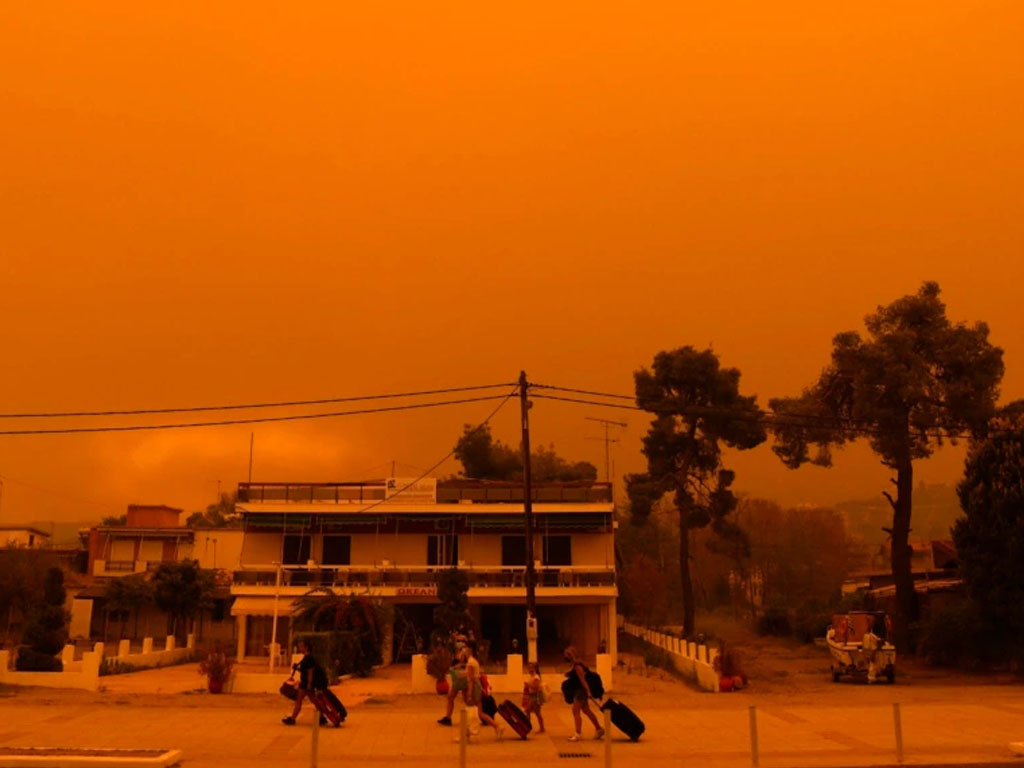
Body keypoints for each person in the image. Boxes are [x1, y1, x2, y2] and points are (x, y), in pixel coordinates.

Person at [463, 641, 504, 740]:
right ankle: (496, 726)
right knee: (479, 713)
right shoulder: (473, 661)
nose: (464, 650)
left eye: (465, 648)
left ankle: (468, 733)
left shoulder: (470, 662)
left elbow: (471, 680)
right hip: (478, 688)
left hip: (474, 689)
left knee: (471, 712)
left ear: (470, 649)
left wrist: (469, 694)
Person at [282, 639, 328, 726]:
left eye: (301, 646)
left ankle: (293, 718)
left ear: (306, 647)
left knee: (299, 700)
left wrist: (309, 684)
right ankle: (322, 716)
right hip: (307, 683)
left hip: (306, 684)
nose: (300, 648)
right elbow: (303, 668)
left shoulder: (308, 658)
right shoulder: (307, 658)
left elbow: (310, 671)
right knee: (314, 700)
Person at [563, 646, 604, 742]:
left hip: (580, 691)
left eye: (566, 655)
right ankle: (599, 728)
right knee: (586, 711)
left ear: (570, 656)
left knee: (575, 711)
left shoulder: (577, 666)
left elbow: (583, 680)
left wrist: (588, 691)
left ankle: (578, 734)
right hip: (579, 691)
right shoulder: (575, 665)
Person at [437, 645, 468, 726]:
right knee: (451, 697)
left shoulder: (465, 651)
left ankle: (478, 715)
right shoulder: (457, 651)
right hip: (458, 678)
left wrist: (461, 664)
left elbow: (469, 664)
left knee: (466, 699)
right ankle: (448, 717)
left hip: (462, 678)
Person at [522, 661, 546, 733]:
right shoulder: (532, 677)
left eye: (531, 668)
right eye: (529, 668)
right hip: (532, 697)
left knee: (533, 712)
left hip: (535, 697)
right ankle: (529, 726)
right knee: (530, 711)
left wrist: (528, 685)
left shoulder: (536, 677)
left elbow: (536, 687)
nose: (529, 669)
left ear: (535, 668)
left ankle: (540, 728)